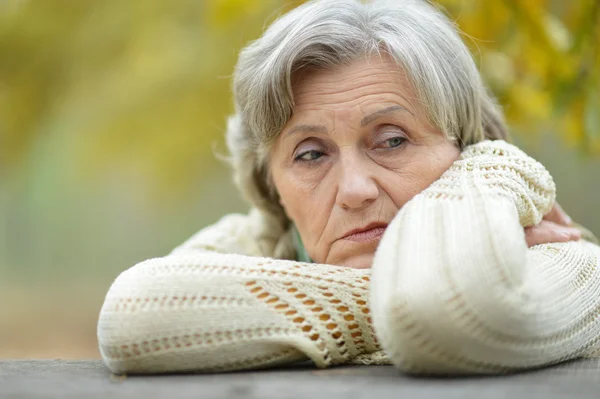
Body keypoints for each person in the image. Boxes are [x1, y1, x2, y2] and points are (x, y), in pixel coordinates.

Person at [97, 0, 600, 375]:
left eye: (393, 141)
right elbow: (134, 318)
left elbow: (449, 315)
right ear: (272, 189)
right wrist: (391, 293)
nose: (355, 189)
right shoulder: (264, 244)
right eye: (311, 154)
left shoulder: (561, 256)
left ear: (467, 150)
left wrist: (490, 173)